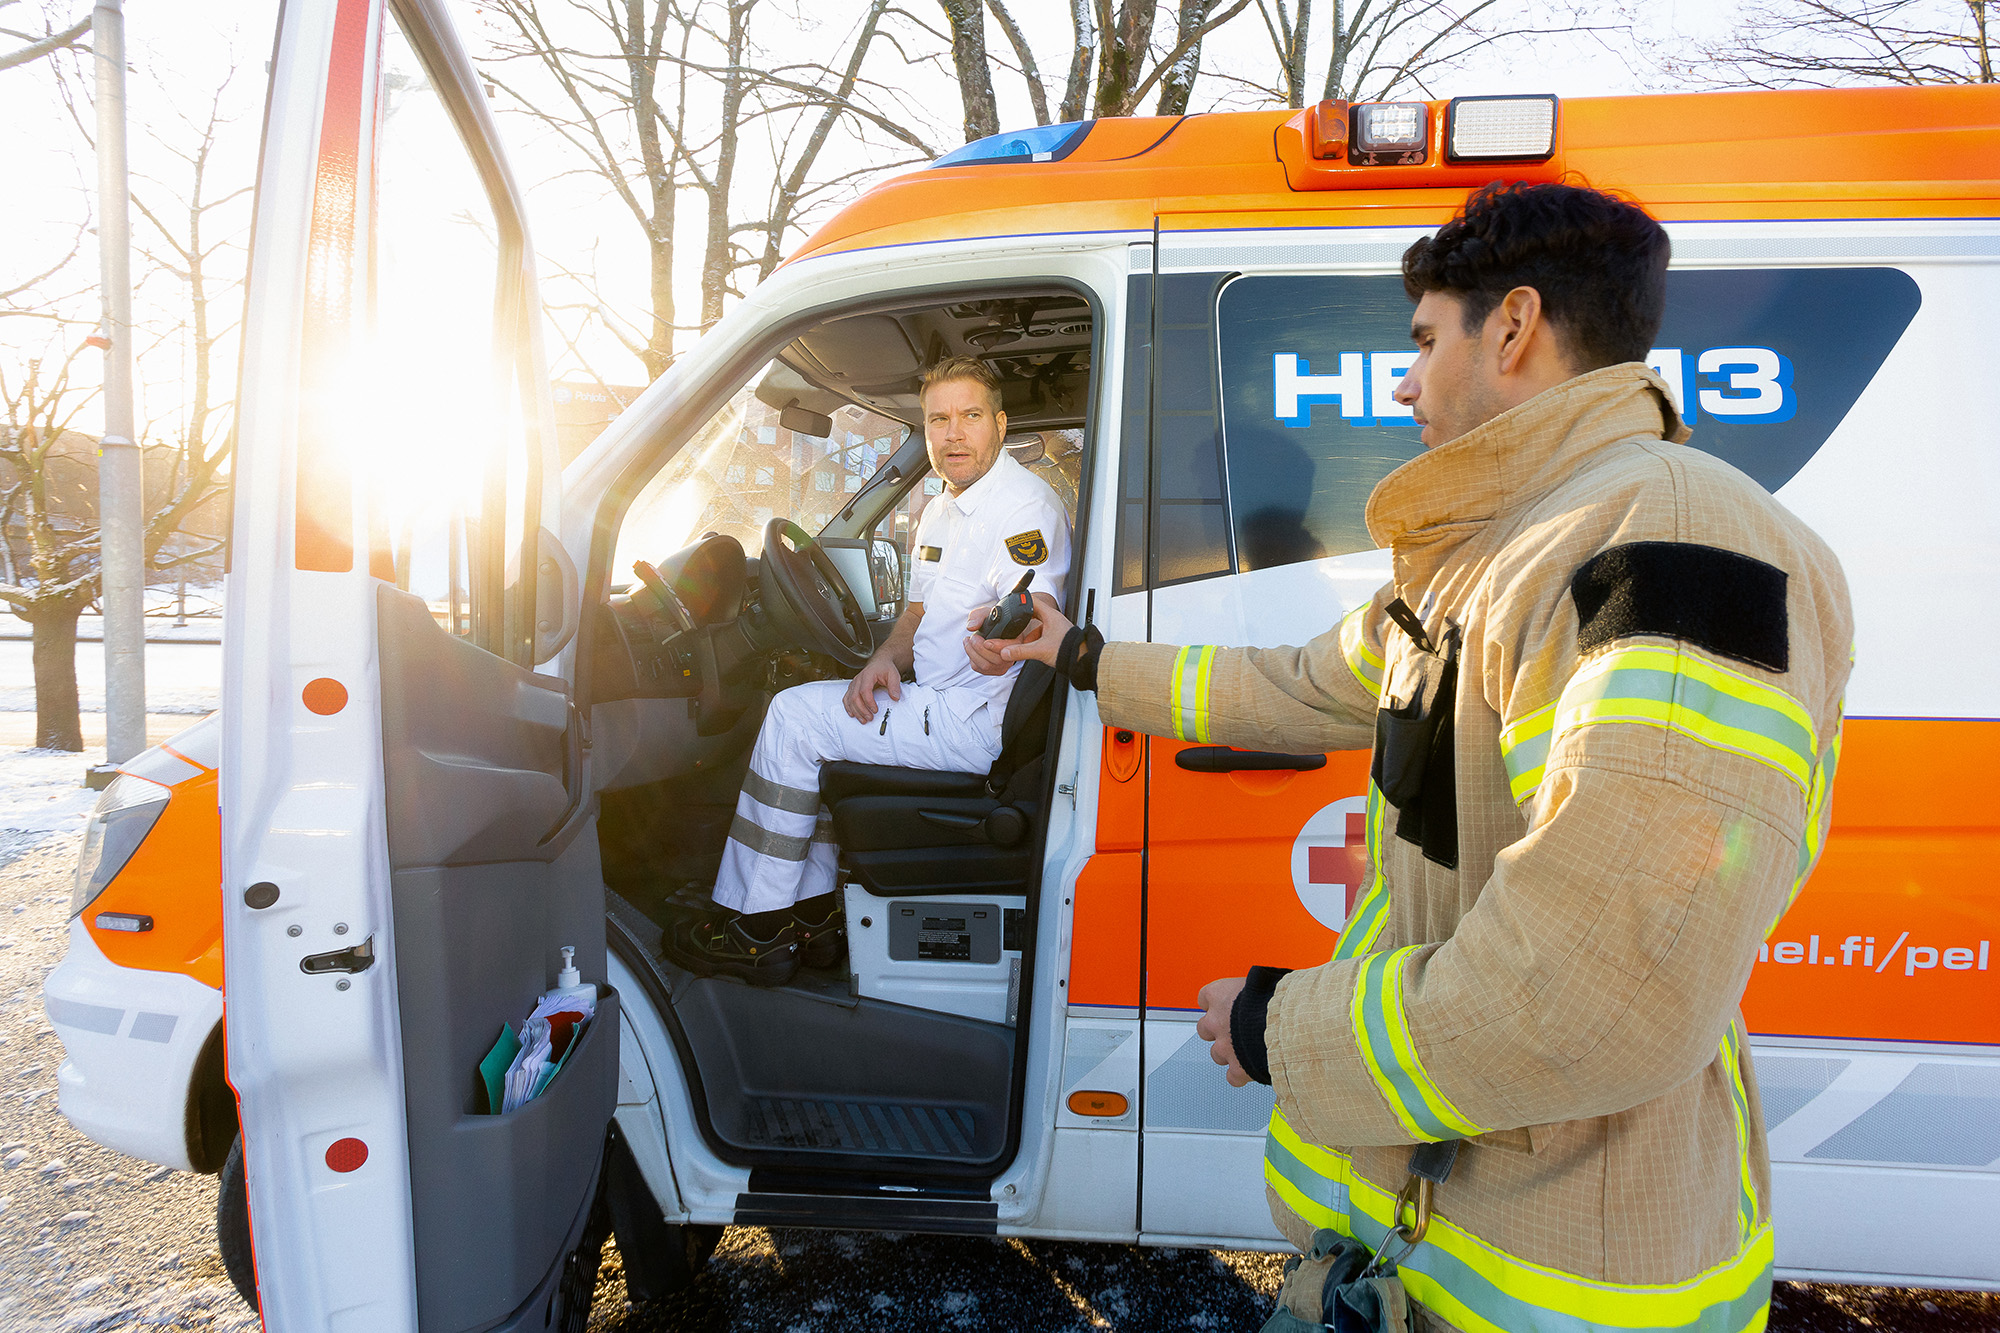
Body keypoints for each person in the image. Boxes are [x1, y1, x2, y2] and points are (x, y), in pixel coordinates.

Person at [1000, 182, 1850, 1333]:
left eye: (1418, 340)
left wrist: (1276, 1029)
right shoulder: (1496, 551)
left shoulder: (1668, 541)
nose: (1400, 379)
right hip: (1438, 1247)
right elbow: (1305, 683)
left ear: (1509, 326)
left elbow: (1592, 989)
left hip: (1556, 1286)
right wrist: (1089, 658)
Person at [666, 355, 1071, 984]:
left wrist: (998, 644)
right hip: (935, 696)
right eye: (939, 420)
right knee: (824, 724)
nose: (953, 434)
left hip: (973, 716)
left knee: (792, 715)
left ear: (999, 423)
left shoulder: (1023, 508)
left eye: (970, 416)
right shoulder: (941, 509)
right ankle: (813, 917)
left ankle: (756, 926)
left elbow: (1032, 611)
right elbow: (916, 609)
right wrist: (884, 658)